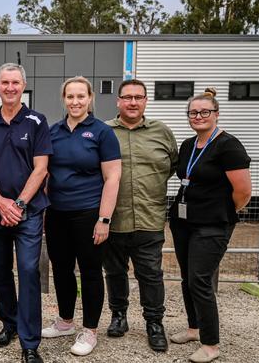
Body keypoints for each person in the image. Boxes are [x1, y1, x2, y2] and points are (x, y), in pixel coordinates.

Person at [168, 88, 251, 363]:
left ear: (216, 114)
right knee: (187, 279)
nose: (199, 116)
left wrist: (223, 212)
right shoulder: (189, 145)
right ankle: (194, 328)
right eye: (193, 112)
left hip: (212, 225)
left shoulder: (229, 145)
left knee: (200, 280)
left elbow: (243, 192)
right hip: (183, 223)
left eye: (205, 112)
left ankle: (211, 344)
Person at [42, 76, 121, 356]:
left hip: (89, 214)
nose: (75, 102)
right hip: (56, 213)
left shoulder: (102, 132)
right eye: (70, 96)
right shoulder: (53, 131)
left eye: (80, 96)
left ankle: (90, 331)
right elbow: (46, 173)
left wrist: (104, 219)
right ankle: (65, 321)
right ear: (64, 99)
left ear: (90, 99)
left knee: (89, 272)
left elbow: (113, 177)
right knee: (61, 269)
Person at [0, 63, 51, 363]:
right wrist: (0, 203)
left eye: (15, 82)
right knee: (0, 271)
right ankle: (9, 324)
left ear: (24, 85)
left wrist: (18, 205)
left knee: (29, 271)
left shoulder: (36, 121)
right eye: (5, 82)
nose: (10, 87)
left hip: (28, 213)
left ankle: (30, 341)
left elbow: (41, 168)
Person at [103, 79, 177, 352]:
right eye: (127, 97)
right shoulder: (104, 131)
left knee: (151, 275)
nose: (133, 102)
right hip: (113, 218)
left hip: (149, 217)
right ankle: (118, 316)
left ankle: (154, 323)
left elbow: (171, 166)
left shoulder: (162, 132)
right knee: (114, 272)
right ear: (118, 101)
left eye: (138, 97)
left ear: (145, 101)